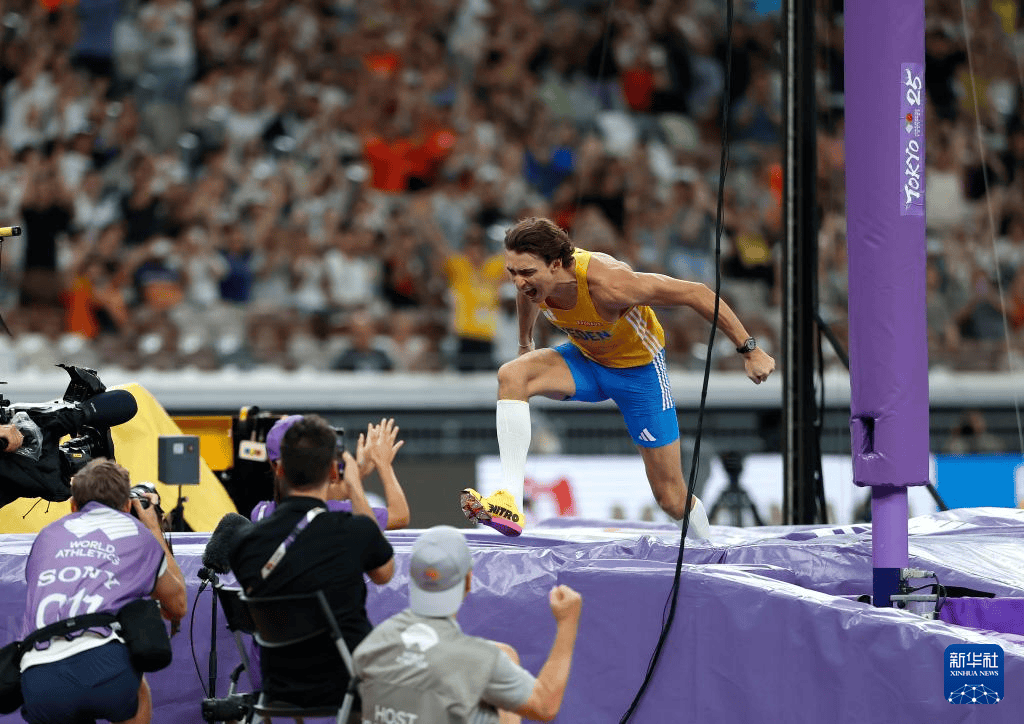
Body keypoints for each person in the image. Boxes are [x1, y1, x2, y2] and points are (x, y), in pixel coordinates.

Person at [460, 217, 776, 537]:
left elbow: (697, 293)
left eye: (526, 272)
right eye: (512, 272)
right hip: (587, 361)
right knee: (513, 375)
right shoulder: (533, 284)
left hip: (639, 376)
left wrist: (749, 349)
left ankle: (707, 551)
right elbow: (527, 296)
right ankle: (510, 501)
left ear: (556, 265)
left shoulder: (611, 284)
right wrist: (525, 343)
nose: (518, 282)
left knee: (671, 498)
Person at [228, 415, 395, 711]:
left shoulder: (244, 542)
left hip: (275, 687)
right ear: (333, 469)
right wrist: (355, 485)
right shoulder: (354, 531)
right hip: (348, 686)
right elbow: (384, 573)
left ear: (278, 468)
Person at [353, 526, 583, 723]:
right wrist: (567, 623)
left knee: (504, 656)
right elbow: (545, 707)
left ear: (412, 577)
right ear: (469, 580)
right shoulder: (480, 662)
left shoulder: (371, 646)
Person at [19, 459, 187, 724]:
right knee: (138, 687)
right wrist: (153, 526)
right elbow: (178, 605)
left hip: (38, 674)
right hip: (103, 665)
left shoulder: (47, 535)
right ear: (128, 506)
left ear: (73, 506)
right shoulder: (135, 531)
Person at [250, 415, 411, 530]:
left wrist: (359, 471)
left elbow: (315, 496)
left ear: (274, 465)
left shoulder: (261, 513)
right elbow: (399, 516)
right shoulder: (337, 515)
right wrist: (383, 464)